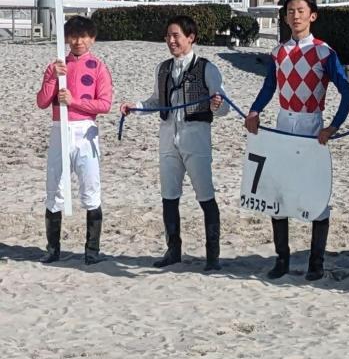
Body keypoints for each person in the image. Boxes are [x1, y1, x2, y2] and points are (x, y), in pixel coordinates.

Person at [245, 0, 349, 281]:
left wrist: (333, 126)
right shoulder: (278, 52)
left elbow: (347, 92)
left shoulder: (324, 52)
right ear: (284, 17)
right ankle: (282, 259)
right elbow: (269, 87)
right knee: (277, 193)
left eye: (301, 10)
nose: (296, 16)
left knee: (315, 194)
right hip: (283, 124)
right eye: (291, 11)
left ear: (312, 16)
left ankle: (316, 263)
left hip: (311, 126)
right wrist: (254, 111)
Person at [120, 16, 229, 272]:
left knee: (205, 195)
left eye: (176, 35)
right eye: (168, 36)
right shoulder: (163, 69)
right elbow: (156, 101)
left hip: (196, 138)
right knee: (169, 195)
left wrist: (217, 104)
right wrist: (135, 107)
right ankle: (173, 250)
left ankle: (212, 255)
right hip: (168, 137)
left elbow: (224, 106)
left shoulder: (207, 68)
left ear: (191, 38)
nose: (171, 40)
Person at [36, 16, 113, 265]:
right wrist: (52, 77)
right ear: (67, 38)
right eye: (74, 36)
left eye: (84, 36)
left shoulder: (98, 67)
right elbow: (42, 102)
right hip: (59, 129)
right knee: (55, 187)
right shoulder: (57, 66)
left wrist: (74, 102)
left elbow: (105, 104)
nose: (78, 41)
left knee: (90, 187)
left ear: (92, 39)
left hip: (85, 131)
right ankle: (53, 249)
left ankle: (92, 251)